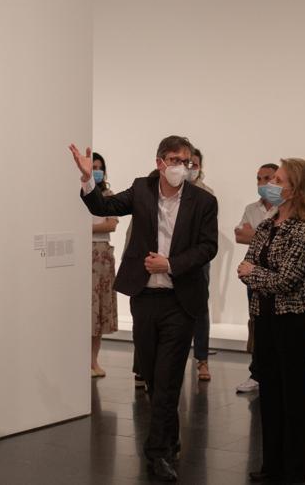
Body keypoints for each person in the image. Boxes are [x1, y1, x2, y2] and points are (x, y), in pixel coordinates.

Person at [71, 136, 218, 483]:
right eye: (174, 159)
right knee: (151, 376)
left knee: (167, 378)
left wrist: (170, 264)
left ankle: (158, 454)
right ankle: (171, 436)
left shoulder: (203, 201)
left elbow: (207, 247)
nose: (181, 166)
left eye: (186, 161)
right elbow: (104, 208)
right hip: (145, 298)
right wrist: (87, 179)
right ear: (159, 162)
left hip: (180, 301)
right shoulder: (142, 189)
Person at [238, 158, 305, 484]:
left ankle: (296, 470)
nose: (272, 183)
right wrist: (257, 274)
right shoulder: (267, 224)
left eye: (278, 179)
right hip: (265, 316)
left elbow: (286, 278)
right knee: (270, 395)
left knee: (294, 397)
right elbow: (244, 266)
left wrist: (255, 273)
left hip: (293, 321)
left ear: (294, 189)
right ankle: (272, 465)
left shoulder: (304, 228)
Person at [234, 163, 279, 394]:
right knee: (257, 324)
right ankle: (256, 373)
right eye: (259, 179)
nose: (263, 183)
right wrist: (264, 236)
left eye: (268, 178)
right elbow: (239, 235)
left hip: (277, 276)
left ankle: (275, 373)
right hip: (253, 274)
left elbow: (276, 239)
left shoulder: (286, 209)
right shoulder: (252, 208)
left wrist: (257, 234)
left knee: (276, 327)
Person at [185, 148, 216, 382]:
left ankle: (202, 359)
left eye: (194, 164)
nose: (189, 168)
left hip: (198, 261)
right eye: (186, 163)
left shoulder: (207, 194)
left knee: (200, 309)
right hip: (173, 260)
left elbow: (208, 236)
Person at [89, 153, 119, 378]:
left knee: (99, 312)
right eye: (93, 167)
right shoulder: (80, 194)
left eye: (100, 168)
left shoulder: (109, 195)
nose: (97, 171)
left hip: (103, 257)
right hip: (85, 256)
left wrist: (87, 228)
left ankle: (94, 361)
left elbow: (111, 225)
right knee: (87, 310)